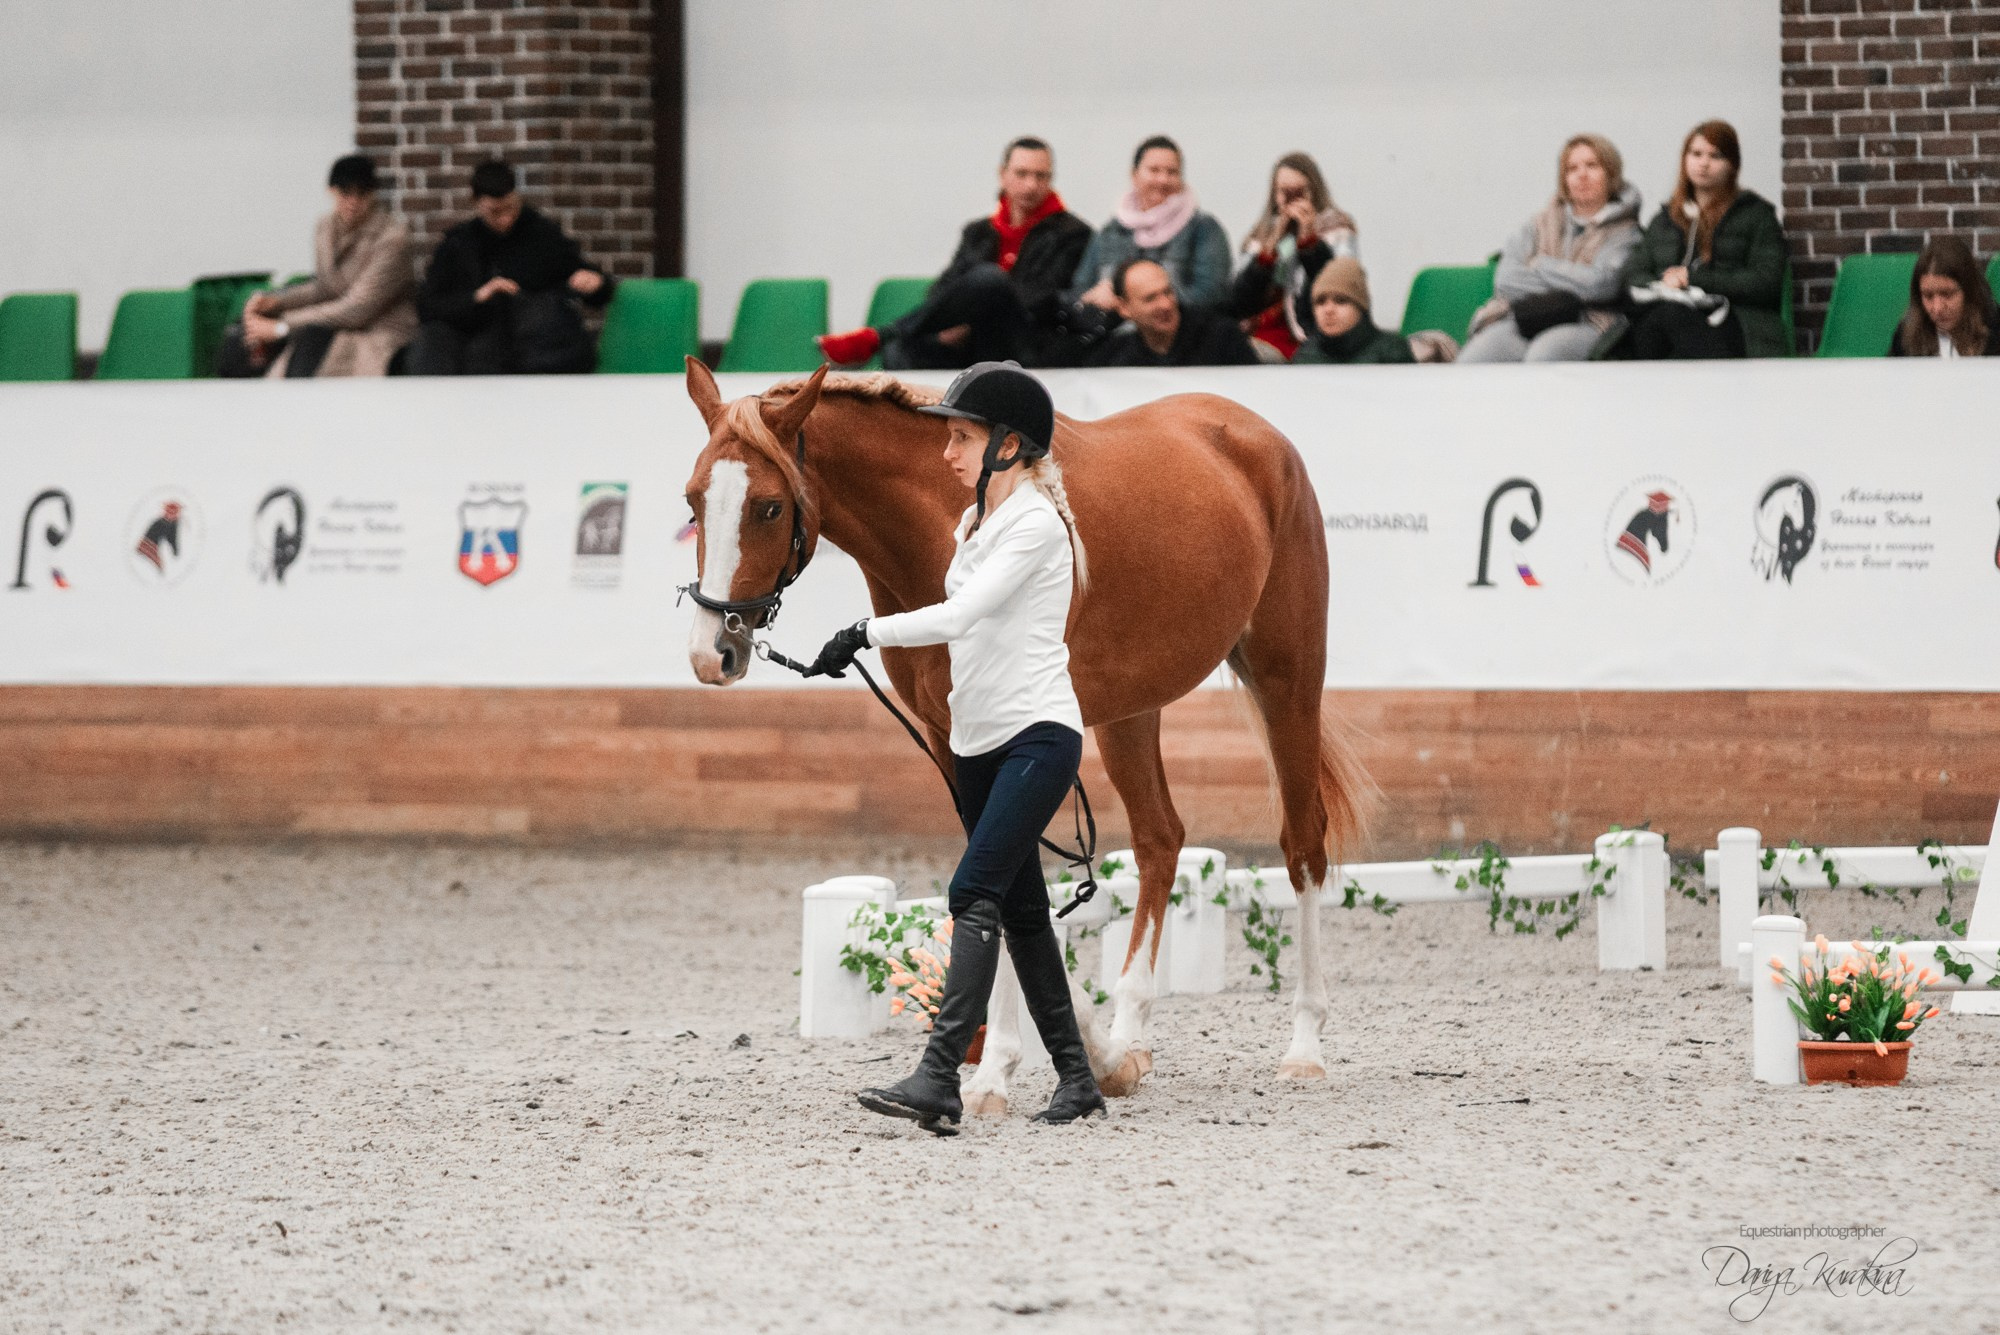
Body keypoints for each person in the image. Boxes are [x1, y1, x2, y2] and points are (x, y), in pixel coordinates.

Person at [807, 362, 1103, 1134]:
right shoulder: (973, 523)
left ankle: (939, 1074)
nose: (948, 452)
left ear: (1010, 446)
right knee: (1023, 911)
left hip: (1038, 735)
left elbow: (963, 612)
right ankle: (1078, 1077)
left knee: (972, 890)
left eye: (963, 437)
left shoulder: (1036, 523)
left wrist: (863, 632)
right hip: (976, 742)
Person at [817, 137, 1093, 370]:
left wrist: (971, 317)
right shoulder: (978, 232)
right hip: (969, 344)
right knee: (899, 352)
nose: (1031, 185)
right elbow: (946, 287)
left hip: (1024, 344)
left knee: (990, 280)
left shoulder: (1072, 233)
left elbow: (1041, 298)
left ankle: (880, 335)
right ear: (1003, 174)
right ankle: (889, 344)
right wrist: (949, 324)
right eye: (1022, 174)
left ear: (1050, 179)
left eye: (1040, 176)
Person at [407, 160, 614, 375]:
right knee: (433, 342)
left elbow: (586, 281)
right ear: (475, 202)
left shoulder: (542, 235)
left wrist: (596, 284)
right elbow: (428, 306)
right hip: (475, 353)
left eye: (511, 208)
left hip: (537, 352)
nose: (505, 219)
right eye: (495, 212)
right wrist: (479, 296)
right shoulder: (458, 245)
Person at [1459, 134, 1642, 363]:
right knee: (1475, 359)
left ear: (1611, 173)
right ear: (1564, 178)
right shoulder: (1538, 223)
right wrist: (1574, 280)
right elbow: (1506, 280)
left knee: (1544, 356)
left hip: (1590, 321)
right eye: (1572, 169)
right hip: (1530, 316)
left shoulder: (1626, 233)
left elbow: (1601, 285)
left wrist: (1540, 264)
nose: (1582, 175)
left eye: (1592, 166)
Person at [1618, 121, 1790, 360]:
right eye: (1696, 154)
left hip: (1736, 320)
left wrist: (1695, 280)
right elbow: (1633, 273)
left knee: (1668, 323)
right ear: (1684, 159)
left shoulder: (1756, 215)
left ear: (1732, 165)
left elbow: (1766, 282)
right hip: (1665, 314)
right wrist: (1665, 283)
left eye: (1716, 156)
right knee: (1652, 325)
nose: (1704, 163)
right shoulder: (1665, 218)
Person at [240, 154, 417, 377]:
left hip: (381, 333)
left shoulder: (393, 238)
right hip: (334, 326)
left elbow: (358, 307)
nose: (353, 202)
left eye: (361, 194)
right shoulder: (324, 227)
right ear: (331, 191)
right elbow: (325, 287)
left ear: (373, 195)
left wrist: (282, 326)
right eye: (345, 193)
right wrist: (277, 302)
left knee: (313, 351)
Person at [1066, 136, 1233, 318]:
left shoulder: (1203, 228)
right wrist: (1096, 296)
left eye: (1172, 172)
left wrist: (1141, 305)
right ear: (1134, 175)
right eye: (1154, 170)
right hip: (1114, 338)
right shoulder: (1111, 230)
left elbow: (1211, 296)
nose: (1163, 180)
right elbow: (1080, 289)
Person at [1228, 152, 1359, 362]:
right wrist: (1268, 253)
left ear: (1313, 192)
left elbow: (1344, 289)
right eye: (1284, 193)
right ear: (1274, 195)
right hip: (1263, 332)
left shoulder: (1337, 230)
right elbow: (1238, 303)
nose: (1292, 201)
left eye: (1298, 192)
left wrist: (1309, 243)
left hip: (1313, 335)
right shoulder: (1261, 236)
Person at [1086, 259, 1259, 367]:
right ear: (1124, 308)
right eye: (1150, 298)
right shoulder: (1112, 357)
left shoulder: (1222, 337)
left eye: (1167, 292)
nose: (1166, 304)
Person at [1888, 236, 2000, 357]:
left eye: (1947, 294)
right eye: (1928, 296)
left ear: (1969, 291)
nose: (1937, 308)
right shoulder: (1905, 338)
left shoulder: (1996, 332)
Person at [1290, 258, 1415, 365]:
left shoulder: (1391, 352)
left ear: (1361, 307)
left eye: (1340, 301)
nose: (1328, 310)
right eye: (1320, 302)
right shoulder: (1306, 356)